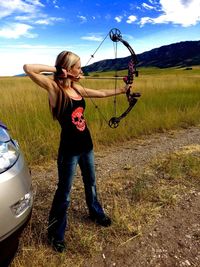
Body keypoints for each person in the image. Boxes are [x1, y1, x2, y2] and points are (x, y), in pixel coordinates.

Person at [23, 51, 130, 253]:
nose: (81, 71)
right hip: (69, 151)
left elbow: (100, 93)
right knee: (64, 192)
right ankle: (56, 234)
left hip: (86, 146)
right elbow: (29, 68)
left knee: (91, 182)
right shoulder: (55, 89)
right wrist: (56, 70)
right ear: (67, 69)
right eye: (78, 67)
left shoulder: (76, 88)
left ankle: (95, 213)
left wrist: (122, 90)